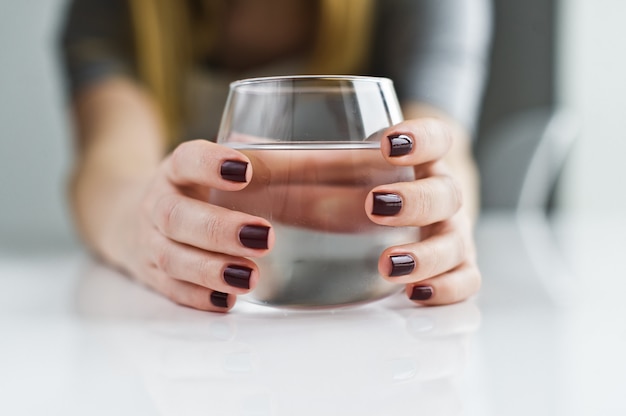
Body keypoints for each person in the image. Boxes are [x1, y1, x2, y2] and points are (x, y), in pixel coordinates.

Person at [59, 0, 492, 312]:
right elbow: (109, 163)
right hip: (224, 326)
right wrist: (143, 225)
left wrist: (440, 215)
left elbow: (443, 152)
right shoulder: (122, 11)